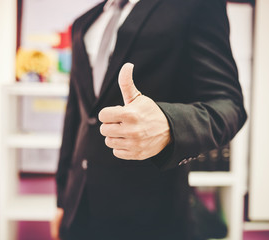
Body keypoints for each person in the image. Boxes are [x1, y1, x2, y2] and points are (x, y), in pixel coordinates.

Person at [51, 0, 247, 239]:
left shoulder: (196, 5)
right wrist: (62, 199)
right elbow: (76, 118)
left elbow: (229, 104)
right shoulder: (84, 22)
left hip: (150, 213)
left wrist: (169, 125)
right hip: (79, 206)